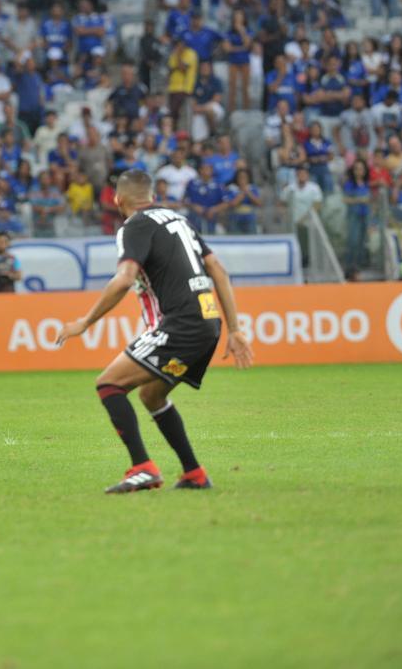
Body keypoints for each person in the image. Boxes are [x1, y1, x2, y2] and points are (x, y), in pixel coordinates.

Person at [57, 169, 254, 494]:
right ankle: (194, 473)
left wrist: (85, 322)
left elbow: (124, 278)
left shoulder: (134, 226)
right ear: (152, 195)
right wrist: (235, 329)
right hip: (208, 324)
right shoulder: (179, 220)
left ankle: (142, 468)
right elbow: (218, 269)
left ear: (118, 199)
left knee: (109, 384)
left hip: (180, 325)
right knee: (151, 394)